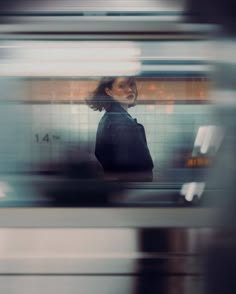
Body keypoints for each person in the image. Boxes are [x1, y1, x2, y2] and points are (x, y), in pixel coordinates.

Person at [87, 77, 154, 181]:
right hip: (131, 190)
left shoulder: (109, 118)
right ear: (109, 91)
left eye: (131, 85)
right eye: (122, 86)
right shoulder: (121, 123)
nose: (130, 90)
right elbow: (138, 168)